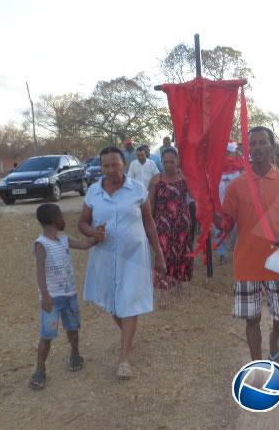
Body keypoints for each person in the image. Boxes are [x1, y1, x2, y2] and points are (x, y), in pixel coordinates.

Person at [215, 126, 279, 363]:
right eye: (251, 144)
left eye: (261, 142)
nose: (256, 148)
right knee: (251, 319)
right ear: (246, 150)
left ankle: (275, 339)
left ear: (272, 146)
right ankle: (258, 364)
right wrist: (210, 213)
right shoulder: (237, 185)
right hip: (247, 262)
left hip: (277, 260)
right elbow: (226, 223)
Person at [78, 147, 167, 379]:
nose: (111, 170)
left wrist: (159, 254)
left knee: (129, 302)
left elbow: (149, 224)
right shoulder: (93, 192)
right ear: (101, 167)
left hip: (134, 258)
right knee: (113, 304)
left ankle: (124, 359)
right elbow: (82, 223)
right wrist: (92, 232)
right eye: (106, 166)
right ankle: (129, 336)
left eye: (115, 165)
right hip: (104, 257)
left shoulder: (137, 190)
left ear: (123, 165)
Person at [29, 203, 100, 390]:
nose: (64, 220)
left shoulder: (64, 241)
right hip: (52, 298)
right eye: (61, 216)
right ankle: (40, 369)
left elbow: (85, 245)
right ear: (54, 220)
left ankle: (75, 355)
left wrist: (97, 236)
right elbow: (40, 271)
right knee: (47, 334)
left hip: (69, 295)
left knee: (73, 327)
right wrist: (45, 296)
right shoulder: (41, 244)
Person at [148, 148, 193, 307]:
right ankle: (163, 293)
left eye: (171, 161)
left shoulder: (183, 177)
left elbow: (194, 195)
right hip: (162, 225)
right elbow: (150, 204)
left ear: (178, 161)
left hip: (183, 223)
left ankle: (180, 285)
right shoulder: (156, 180)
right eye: (165, 162)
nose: (168, 165)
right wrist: (149, 224)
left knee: (182, 253)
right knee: (163, 255)